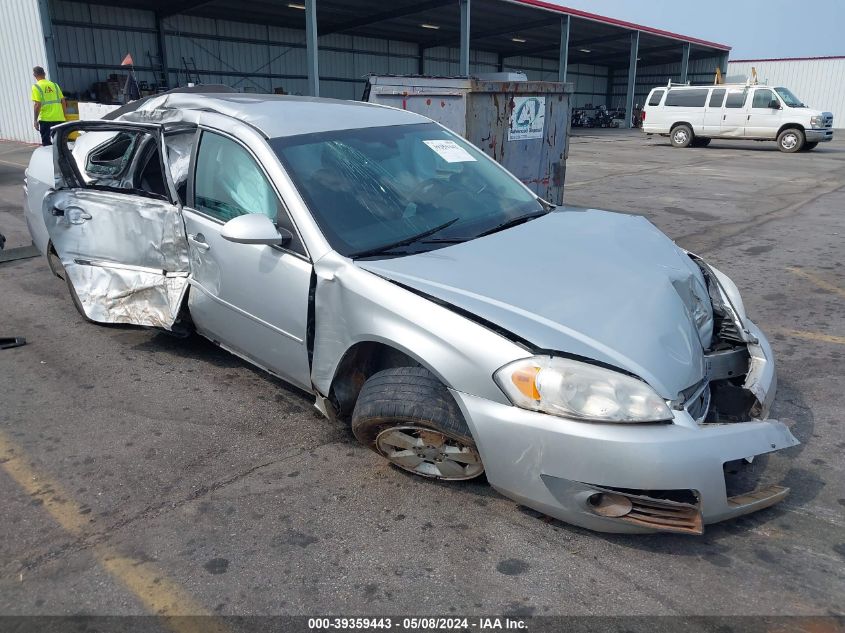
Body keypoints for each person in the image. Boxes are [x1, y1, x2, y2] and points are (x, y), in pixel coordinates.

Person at [31, 66, 66, 146]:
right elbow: (63, 101)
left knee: (46, 143)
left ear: (34, 75)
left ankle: (49, 158)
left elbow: (37, 104)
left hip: (46, 120)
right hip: (59, 118)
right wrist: (64, 115)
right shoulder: (55, 85)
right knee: (60, 143)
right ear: (44, 74)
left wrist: (35, 120)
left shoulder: (36, 87)